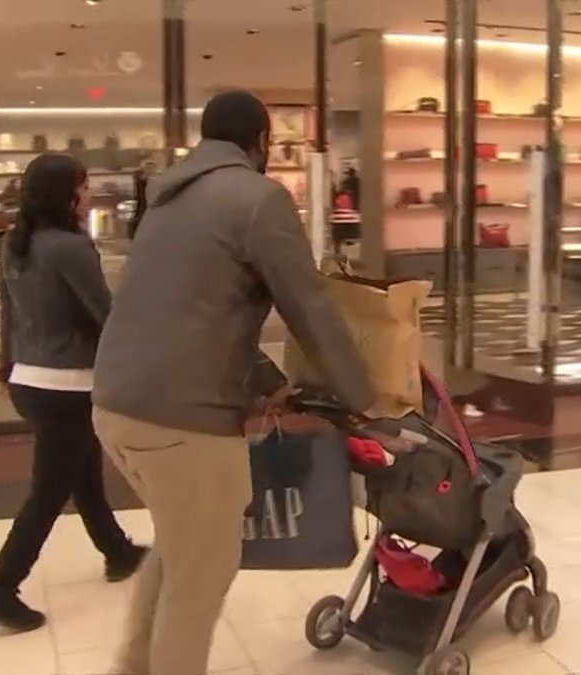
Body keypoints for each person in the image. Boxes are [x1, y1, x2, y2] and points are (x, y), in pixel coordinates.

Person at [91, 90, 374, 675]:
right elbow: (310, 307)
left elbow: (197, 313)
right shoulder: (258, 199)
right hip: (182, 422)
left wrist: (266, 380)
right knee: (200, 582)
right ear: (262, 142)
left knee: (178, 552)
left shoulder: (166, 199)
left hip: (117, 405)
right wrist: (364, 397)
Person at [0, 153, 146, 633]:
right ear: (67, 194)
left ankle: (117, 550)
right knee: (50, 490)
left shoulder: (16, 243)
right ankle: (1, 587)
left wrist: (6, 366)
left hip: (29, 380)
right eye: (84, 185)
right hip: (69, 383)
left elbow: (8, 313)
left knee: (83, 468)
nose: (90, 193)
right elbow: (104, 315)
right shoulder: (71, 247)